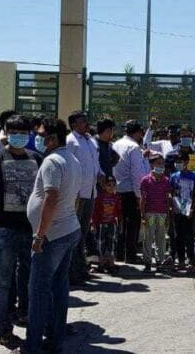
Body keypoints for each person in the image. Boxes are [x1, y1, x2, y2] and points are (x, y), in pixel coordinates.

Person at [0, 114, 41, 348]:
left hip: (30, 229)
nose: (19, 136)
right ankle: (3, 327)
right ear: (6, 133)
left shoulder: (37, 159)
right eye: (14, 132)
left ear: (29, 134)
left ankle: (25, 314)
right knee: (2, 280)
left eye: (23, 132)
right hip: (3, 230)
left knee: (29, 277)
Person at [24, 118, 82, 353]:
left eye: (41, 134)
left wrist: (40, 235)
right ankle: (55, 339)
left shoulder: (52, 161)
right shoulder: (72, 159)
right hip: (68, 228)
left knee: (38, 290)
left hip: (53, 234)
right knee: (58, 286)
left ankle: (33, 344)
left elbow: (51, 198)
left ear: (53, 138)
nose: (37, 138)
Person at [66, 111, 102, 284]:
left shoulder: (90, 140)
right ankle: (72, 272)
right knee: (74, 233)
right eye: (82, 122)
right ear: (73, 125)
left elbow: (95, 164)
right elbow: (69, 165)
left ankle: (81, 269)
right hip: (78, 194)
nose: (86, 124)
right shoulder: (70, 141)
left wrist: (101, 175)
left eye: (87, 121)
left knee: (83, 232)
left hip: (91, 192)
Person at [113, 120, 148, 263]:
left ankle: (119, 253)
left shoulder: (116, 144)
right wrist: (139, 196)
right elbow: (137, 174)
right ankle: (130, 255)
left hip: (116, 189)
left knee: (120, 223)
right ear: (137, 132)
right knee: (132, 224)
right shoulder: (133, 147)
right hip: (130, 191)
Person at [139, 154, 172, 272]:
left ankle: (160, 260)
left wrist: (168, 214)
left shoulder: (166, 180)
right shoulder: (145, 180)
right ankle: (147, 261)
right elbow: (143, 199)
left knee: (161, 237)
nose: (161, 166)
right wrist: (143, 215)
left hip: (162, 213)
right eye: (158, 163)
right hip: (150, 213)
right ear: (152, 165)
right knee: (148, 237)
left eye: (162, 163)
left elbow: (168, 199)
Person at [169, 152, 195, 270]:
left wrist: (192, 209)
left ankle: (191, 260)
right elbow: (171, 192)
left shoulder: (193, 177)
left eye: (181, 162)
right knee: (178, 236)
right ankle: (181, 260)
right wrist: (171, 206)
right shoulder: (174, 176)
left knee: (189, 236)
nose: (178, 164)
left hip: (189, 210)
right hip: (177, 210)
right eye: (177, 162)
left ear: (187, 162)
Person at [91, 177, 121, 273]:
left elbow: (119, 212)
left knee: (111, 243)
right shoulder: (100, 197)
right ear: (104, 186)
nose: (111, 187)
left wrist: (120, 223)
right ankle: (101, 263)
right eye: (109, 185)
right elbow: (94, 212)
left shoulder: (116, 197)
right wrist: (93, 224)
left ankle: (110, 263)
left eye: (113, 185)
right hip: (101, 223)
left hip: (112, 223)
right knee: (100, 243)